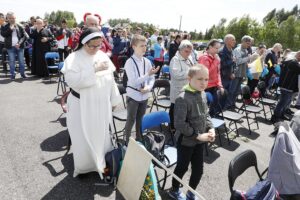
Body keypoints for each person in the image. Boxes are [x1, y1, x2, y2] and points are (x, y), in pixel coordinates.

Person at [61, 27, 121, 178]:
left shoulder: (102, 55)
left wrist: (114, 99)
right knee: (82, 138)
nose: (96, 49)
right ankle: (84, 167)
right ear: (84, 43)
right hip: (81, 106)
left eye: (98, 45)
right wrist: (93, 69)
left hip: (101, 105)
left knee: (101, 136)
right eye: (92, 46)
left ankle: (100, 164)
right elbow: (72, 81)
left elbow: (111, 79)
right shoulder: (74, 58)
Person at [169, 64, 215, 200]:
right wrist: (198, 136)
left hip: (200, 140)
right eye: (200, 79)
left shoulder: (203, 94)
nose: (204, 83)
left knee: (198, 170)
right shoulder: (182, 98)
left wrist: (210, 128)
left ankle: (190, 192)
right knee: (182, 168)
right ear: (189, 79)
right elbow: (179, 124)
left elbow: (206, 114)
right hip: (186, 142)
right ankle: (175, 189)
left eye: (206, 79)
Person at [123, 34, 159, 144]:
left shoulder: (147, 61)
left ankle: (139, 138)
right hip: (133, 96)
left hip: (144, 96)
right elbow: (134, 82)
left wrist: (148, 87)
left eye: (145, 45)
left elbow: (152, 78)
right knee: (131, 119)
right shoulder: (129, 62)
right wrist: (148, 74)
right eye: (141, 46)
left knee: (140, 119)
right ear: (134, 46)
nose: (145, 48)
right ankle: (126, 140)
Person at [169, 40, 194, 130]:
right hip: (178, 88)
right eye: (186, 51)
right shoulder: (175, 60)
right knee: (174, 108)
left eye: (190, 51)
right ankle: (172, 127)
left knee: (183, 109)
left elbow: (193, 67)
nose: (188, 53)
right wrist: (190, 72)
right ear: (180, 50)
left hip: (187, 88)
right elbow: (176, 74)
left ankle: (181, 125)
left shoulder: (189, 57)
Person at [271, 51, 300, 123]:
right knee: (282, 102)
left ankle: (281, 114)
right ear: (299, 56)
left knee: (286, 102)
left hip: (287, 86)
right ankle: (275, 117)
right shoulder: (293, 62)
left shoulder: (290, 61)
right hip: (287, 86)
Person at [224, 35, 252, 109]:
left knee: (236, 91)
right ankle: (228, 105)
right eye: (247, 43)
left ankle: (232, 103)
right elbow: (238, 61)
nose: (248, 45)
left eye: (249, 43)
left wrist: (248, 62)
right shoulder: (237, 50)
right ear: (242, 42)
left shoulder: (246, 50)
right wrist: (248, 58)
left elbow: (244, 62)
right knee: (232, 90)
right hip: (236, 74)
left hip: (242, 73)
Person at [199, 39, 224, 117]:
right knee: (203, 107)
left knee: (214, 104)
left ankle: (210, 120)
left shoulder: (215, 58)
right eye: (216, 48)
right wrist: (216, 61)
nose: (218, 50)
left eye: (219, 48)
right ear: (210, 47)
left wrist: (219, 84)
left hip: (214, 86)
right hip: (205, 87)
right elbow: (206, 72)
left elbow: (218, 73)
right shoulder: (204, 58)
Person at [1, 12, 28, 79]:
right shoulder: (4, 26)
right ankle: (12, 75)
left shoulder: (20, 26)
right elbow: (4, 34)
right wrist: (11, 29)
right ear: (7, 19)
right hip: (10, 47)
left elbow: (26, 36)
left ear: (15, 18)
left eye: (13, 18)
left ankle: (22, 74)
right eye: (10, 18)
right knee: (12, 61)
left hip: (20, 47)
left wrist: (19, 43)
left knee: (21, 61)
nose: (12, 19)